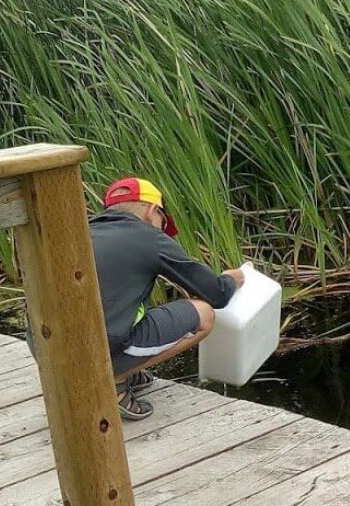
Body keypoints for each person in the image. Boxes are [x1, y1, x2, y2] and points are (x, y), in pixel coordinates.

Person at [91, 177, 244, 420]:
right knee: (204, 314)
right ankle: (115, 378)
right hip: (99, 350)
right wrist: (231, 278)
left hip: (48, 350)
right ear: (152, 211)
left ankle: (123, 369)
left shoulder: (79, 232)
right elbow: (216, 295)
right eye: (163, 222)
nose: (163, 230)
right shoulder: (149, 237)